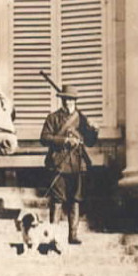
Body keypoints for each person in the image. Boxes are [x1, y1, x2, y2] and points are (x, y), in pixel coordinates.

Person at [41, 83, 98, 245]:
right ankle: (53, 237)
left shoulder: (81, 119)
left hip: (77, 165)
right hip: (59, 164)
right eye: (65, 100)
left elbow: (90, 142)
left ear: (75, 101)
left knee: (75, 199)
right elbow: (44, 138)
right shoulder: (53, 118)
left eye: (71, 100)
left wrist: (94, 130)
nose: (68, 103)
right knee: (57, 200)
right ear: (61, 101)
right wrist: (64, 140)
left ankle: (73, 236)